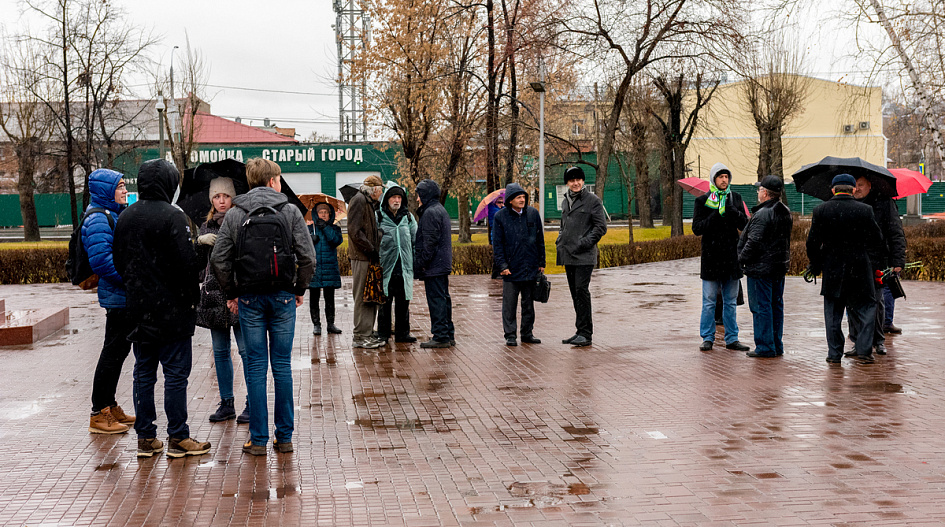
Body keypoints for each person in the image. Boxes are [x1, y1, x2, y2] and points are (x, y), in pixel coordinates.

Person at [211, 158, 314, 456]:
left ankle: (257, 440)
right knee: (282, 367)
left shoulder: (235, 213)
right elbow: (308, 258)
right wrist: (298, 289)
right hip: (282, 297)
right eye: (279, 179)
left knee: (255, 368)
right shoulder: (290, 211)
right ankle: (285, 438)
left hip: (249, 299)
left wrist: (232, 292)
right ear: (271, 181)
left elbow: (219, 259)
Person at [113, 159, 210, 458]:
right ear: (168, 183)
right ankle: (178, 437)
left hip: (139, 309)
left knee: (143, 373)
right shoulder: (173, 216)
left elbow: (119, 261)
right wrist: (202, 250)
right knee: (176, 375)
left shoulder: (126, 216)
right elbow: (186, 266)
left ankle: (146, 438)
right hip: (172, 311)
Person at [806, 173, 884, 365]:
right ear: (854, 189)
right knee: (866, 309)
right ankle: (865, 350)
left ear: (833, 190)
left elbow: (812, 244)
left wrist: (816, 265)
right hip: (860, 269)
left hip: (833, 270)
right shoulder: (865, 210)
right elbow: (877, 241)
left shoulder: (821, 210)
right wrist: (874, 264)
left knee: (833, 314)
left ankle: (834, 353)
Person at [82, 168, 135, 434]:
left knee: (117, 352)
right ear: (106, 190)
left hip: (120, 295)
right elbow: (102, 262)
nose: (125, 190)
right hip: (118, 297)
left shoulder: (111, 214)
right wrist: (130, 280)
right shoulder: (99, 219)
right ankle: (98, 412)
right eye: (120, 186)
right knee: (112, 354)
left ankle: (109, 405)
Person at [194, 177, 249, 424]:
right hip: (213, 297)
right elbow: (197, 267)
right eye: (217, 197)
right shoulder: (205, 227)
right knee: (220, 352)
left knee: (247, 351)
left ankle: (251, 402)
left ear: (233, 198)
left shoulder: (242, 221)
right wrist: (199, 244)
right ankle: (226, 402)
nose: (221, 201)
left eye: (226, 196)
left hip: (237, 294)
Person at [693, 162, 750, 352]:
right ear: (714, 179)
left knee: (730, 301)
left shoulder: (736, 198)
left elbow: (744, 224)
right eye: (720, 177)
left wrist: (731, 210)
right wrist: (716, 214)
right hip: (711, 258)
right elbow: (697, 228)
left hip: (731, 258)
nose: (724, 180)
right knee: (709, 301)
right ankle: (707, 337)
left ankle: (732, 338)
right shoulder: (702, 201)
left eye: (726, 177)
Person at [847, 175, 906, 355]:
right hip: (853, 262)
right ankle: (857, 341)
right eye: (854, 186)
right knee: (853, 304)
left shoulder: (884, 203)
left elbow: (896, 232)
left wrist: (897, 261)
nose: (857, 189)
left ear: (870, 186)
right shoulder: (847, 204)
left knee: (877, 301)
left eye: (861, 185)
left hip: (878, 261)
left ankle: (878, 340)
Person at [737, 175, 792, 358]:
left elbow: (754, 242)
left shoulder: (762, 214)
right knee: (776, 306)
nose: (758, 192)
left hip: (760, 269)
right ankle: (776, 344)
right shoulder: (785, 211)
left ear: (766, 193)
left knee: (761, 307)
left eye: (760, 189)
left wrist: (741, 258)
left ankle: (765, 346)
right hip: (778, 267)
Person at [556, 166, 607, 347]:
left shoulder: (592, 200)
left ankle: (586, 333)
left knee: (581, 291)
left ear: (583, 181)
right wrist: (560, 239)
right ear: (567, 183)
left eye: (578, 179)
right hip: (568, 254)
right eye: (571, 180)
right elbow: (564, 225)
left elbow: (600, 228)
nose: (575, 183)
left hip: (584, 255)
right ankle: (579, 330)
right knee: (574, 293)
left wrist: (583, 242)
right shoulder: (565, 201)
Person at [492, 182, 545, 346]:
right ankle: (510, 335)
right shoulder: (500, 217)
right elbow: (497, 244)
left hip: (530, 266)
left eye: (523, 197)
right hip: (511, 269)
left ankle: (527, 333)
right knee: (509, 305)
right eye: (518, 197)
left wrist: (541, 262)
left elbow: (540, 239)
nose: (522, 200)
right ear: (509, 200)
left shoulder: (532, 214)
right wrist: (502, 266)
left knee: (528, 304)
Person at [414, 179, 455, 348]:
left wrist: (421, 262)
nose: (417, 199)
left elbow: (429, 242)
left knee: (437, 300)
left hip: (434, 265)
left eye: (419, 195)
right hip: (440, 264)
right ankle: (447, 333)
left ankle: (440, 336)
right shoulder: (439, 210)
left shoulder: (430, 212)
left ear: (426, 195)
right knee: (443, 299)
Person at [347, 175, 386, 349]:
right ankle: (361, 336)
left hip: (368, 256)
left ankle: (367, 333)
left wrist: (378, 234)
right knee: (363, 297)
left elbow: (364, 230)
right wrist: (370, 248)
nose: (382, 192)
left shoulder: (368, 203)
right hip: (362, 256)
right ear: (375, 190)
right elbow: (354, 232)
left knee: (371, 296)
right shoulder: (359, 201)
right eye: (381, 189)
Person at [376, 184, 418, 343]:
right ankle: (383, 334)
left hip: (404, 268)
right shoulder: (379, 216)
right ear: (387, 199)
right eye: (393, 197)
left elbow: (415, 240)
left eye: (399, 197)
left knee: (403, 303)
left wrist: (415, 262)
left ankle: (402, 333)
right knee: (384, 303)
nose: (396, 200)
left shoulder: (408, 217)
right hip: (386, 269)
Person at [308, 202, 344, 336]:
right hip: (315, 268)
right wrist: (311, 239)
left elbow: (335, 241)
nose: (323, 215)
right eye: (320, 212)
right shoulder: (310, 229)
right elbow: (302, 244)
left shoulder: (335, 229)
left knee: (330, 298)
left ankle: (330, 324)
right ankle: (316, 324)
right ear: (316, 214)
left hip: (329, 267)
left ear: (330, 214)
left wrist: (325, 228)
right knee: (314, 297)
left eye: (326, 212)